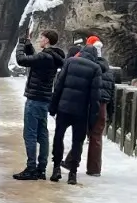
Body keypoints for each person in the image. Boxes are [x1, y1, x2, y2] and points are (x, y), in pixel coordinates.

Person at [47, 38, 104, 185]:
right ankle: (73, 173)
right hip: (81, 112)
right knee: (77, 142)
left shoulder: (70, 62)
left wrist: (53, 106)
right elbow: (95, 97)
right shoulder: (96, 68)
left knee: (58, 137)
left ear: (82, 52)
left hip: (63, 108)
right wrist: (92, 120)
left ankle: (56, 168)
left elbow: (58, 85)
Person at [12, 29, 65, 181]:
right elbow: (34, 58)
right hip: (44, 99)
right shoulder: (52, 57)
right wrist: (28, 45)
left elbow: (22, 60)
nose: (39, 39)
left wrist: (21, 44)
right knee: (42, 134)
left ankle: (31, 168)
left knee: (30, 134)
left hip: (34, 99)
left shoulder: (44, 57)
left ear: (47, 40)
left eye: (41, 37)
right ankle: (41, 169)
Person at [82, 37, 115, 176]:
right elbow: (112, 93)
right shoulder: (108, 70)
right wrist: (111, 113)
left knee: (79, 133)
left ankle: (71, 162)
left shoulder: (87, 67)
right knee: (96, 137)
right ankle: (94, 169)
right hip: (102, 106)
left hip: (88, 103)